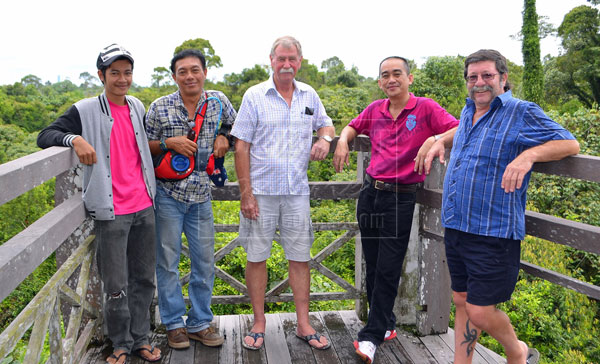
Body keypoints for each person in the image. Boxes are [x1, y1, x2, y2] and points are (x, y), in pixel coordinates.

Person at [425, 49, 580, 364]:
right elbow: (466, 131)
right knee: (462, 300)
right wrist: (441, 138)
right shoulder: (470, 110)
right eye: (473, 77)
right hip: (456, 224)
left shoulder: (521, 111)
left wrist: (528, 156)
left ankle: (517, 351)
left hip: (493, 231)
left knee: (481, 312)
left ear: (503, 78)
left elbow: (569, 143)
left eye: (487, 76)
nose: (479, 83)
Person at [37, 44, 160, 364]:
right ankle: (120, 343)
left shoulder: (135, 105)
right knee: (116, 283)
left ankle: (141, 339)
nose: (122, 79)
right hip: (111, 210)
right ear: (101, 75)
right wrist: (74, 139)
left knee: (145, 278)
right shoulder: (85, 109)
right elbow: (47, 134)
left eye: (127, 72)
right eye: (115, 73)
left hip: (144, 205)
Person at [333, 56, 459, 363]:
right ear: (380, 82)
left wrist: (434, 138)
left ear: (409, 78)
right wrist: (343, 141)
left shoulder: (426, 107)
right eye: (385, 75)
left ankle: (371, 335)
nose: (392, 79)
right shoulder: (375, 109)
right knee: (374, 263)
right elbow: (352, 125)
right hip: (370, 193)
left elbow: (460, 128)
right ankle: (386, 324)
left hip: (401, 197)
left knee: (389, 266)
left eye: (397, 74)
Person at [231, 35, 335, 351]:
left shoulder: (309, 94)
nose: (286, 64)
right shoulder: (254, 95)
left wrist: (326, 139)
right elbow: (241, 145)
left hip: (296, 193)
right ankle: (259, 321)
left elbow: (327, 125)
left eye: (292, 59)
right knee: (256, 256)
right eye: (281, 59)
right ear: (272, 60)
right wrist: (245, 193)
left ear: (299, 62)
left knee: (300, 257)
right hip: (260, 192)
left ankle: (304, 323)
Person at [145, 49, 236, 350]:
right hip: (168, 195)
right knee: (167, 262)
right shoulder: (159, 107)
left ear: (205, 72)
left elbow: (239, 128)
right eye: (182, 71)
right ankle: (174, 324)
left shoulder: (218, 101)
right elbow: (141, 146)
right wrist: (167, 143)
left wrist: (226, 136)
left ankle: (198, 323)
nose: (189, 76)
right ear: (174, 76)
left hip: (201, 196)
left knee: (204, 262)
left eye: (195, 70)